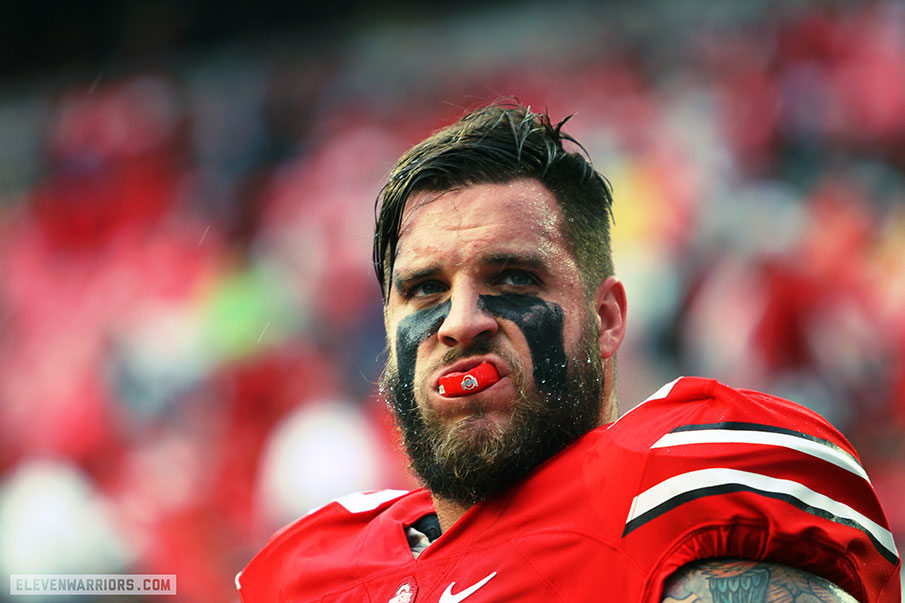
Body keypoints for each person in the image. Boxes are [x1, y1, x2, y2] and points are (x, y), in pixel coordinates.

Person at [236, 102, 901, 602]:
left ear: (607, 318)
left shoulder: (672, 499)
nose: (460, 322)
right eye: (424, 289)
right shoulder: (301, 571)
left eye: (512, 279)